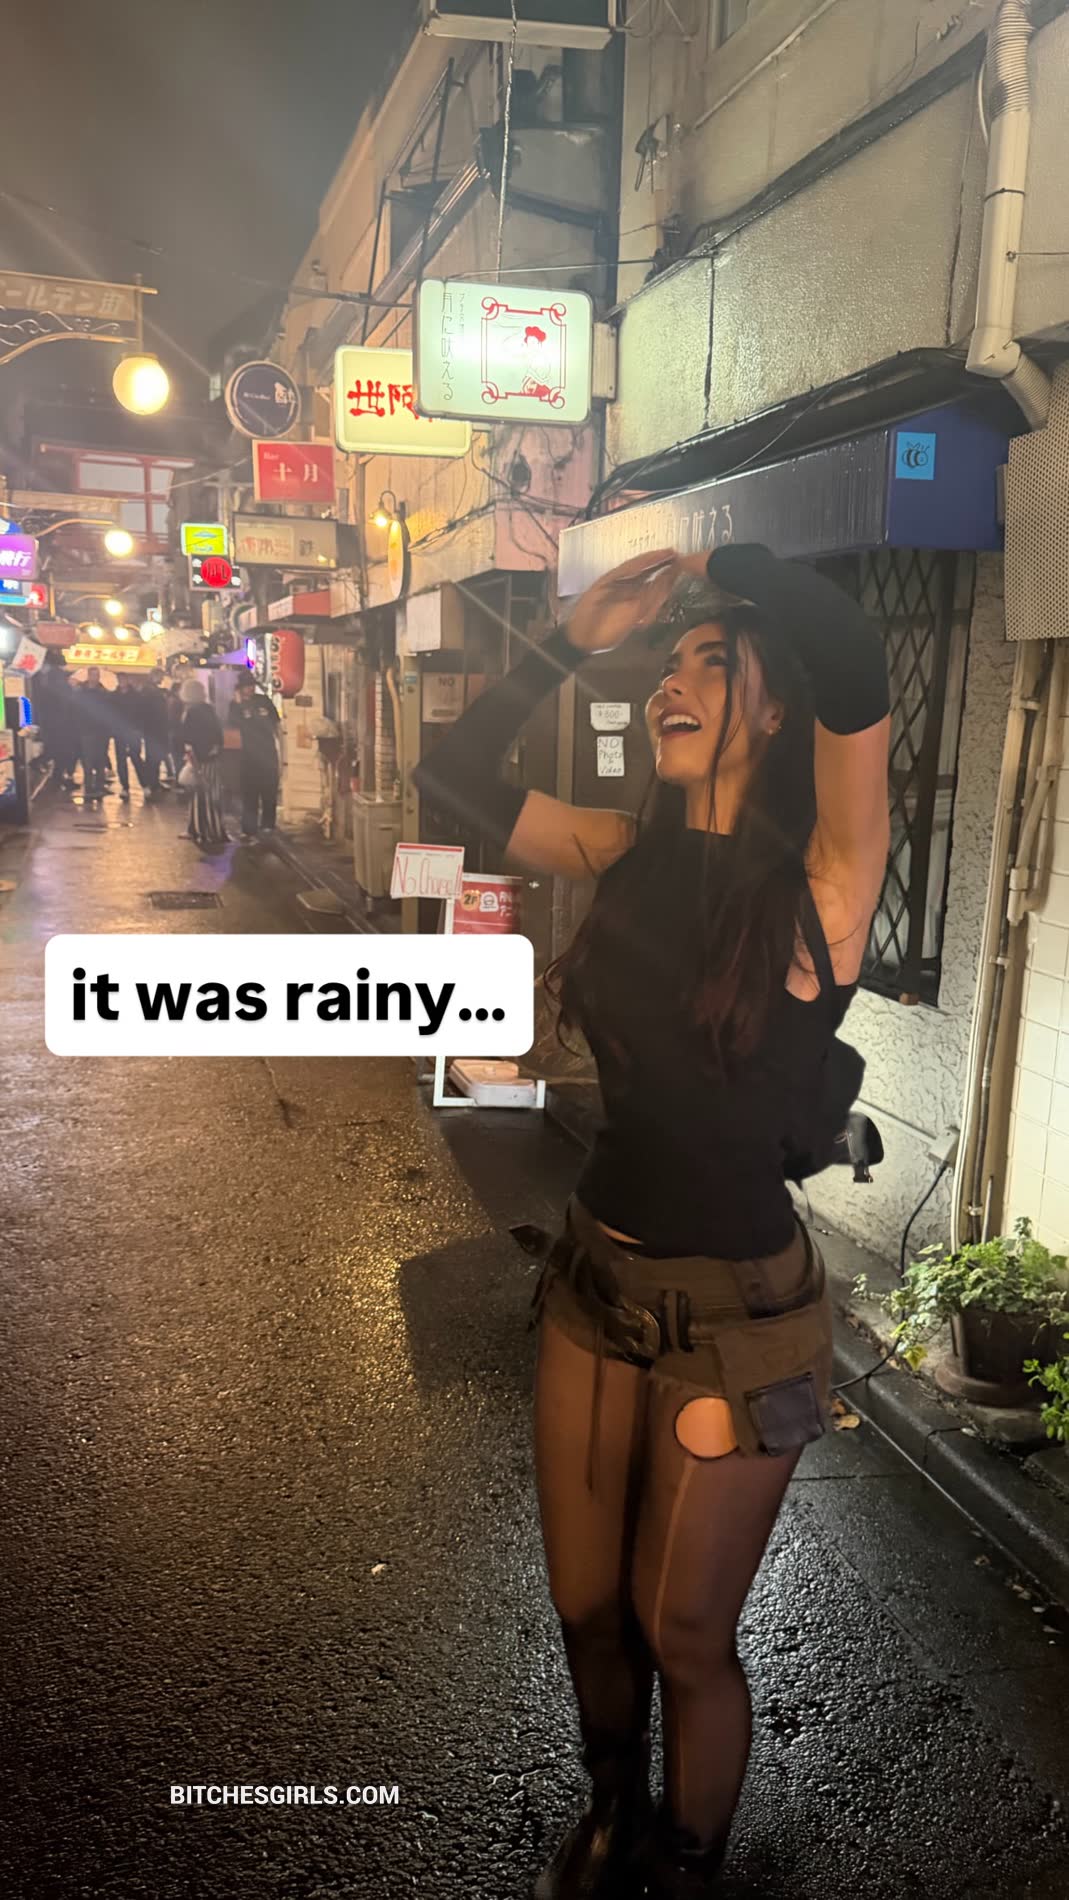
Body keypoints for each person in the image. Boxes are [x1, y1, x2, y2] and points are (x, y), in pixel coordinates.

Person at [413, 543, 890, 1899]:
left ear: (775, 706)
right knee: (584, 1605)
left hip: (737, 1322)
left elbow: (858, 670)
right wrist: (567, 639)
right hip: (593, 1280)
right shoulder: (620, 850)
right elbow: (453, 780)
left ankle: (685, 1864)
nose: (671, 682)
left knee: (683, 1633)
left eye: (710, 663)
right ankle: (613, 1809)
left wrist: (738, 569)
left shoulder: (823, 888)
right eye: (666, 664)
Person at [229, 673, 280, 838]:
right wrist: (239, 704)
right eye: (246, 686)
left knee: (269, 791)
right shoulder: (235, 705)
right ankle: (248, 828)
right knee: (250, 793)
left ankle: (268, 824)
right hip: (248, 755)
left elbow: (276, 723)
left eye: (251, 685)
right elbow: (232, 725)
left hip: (267, 752)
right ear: (240, 688)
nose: (250, 688)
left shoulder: (263, 700)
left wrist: (281, 747)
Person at [179, 679, 229, 848]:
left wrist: (191, 758)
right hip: (212, 758)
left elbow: (188, 739)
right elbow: (219, 735)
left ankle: (201, 830)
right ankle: (213, 829)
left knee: (199, 794)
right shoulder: (209, 709)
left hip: (199, 758)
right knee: (211, 794)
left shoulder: (191, 712)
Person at [76, 668, 114, 802]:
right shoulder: (81, 692)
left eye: (97, 675)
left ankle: (99, 786)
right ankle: (89, 787)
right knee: (88, 761)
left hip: (101, 731)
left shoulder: (103, 693)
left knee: (100, 760)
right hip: (86, 730)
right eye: (93, 675)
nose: (95, 677)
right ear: (88, 676)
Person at [110, 675, 145, 802]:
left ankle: (144, 783)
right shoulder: (114, 696)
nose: (122, 682)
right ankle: (125, 786)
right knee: (121, 759)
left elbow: (141, 713)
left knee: (136, 757)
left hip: (132, 730)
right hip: (120, 731)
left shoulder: (136, 696)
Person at [138, 671, 171, 796]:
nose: (162, 679)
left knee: (154, 758)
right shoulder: (150, 692)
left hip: (154, 729)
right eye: (160, 677)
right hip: (155, 730)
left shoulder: (151, 691)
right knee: (153, 758)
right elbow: (156, 712)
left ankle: (154, 782)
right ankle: (152, 782)